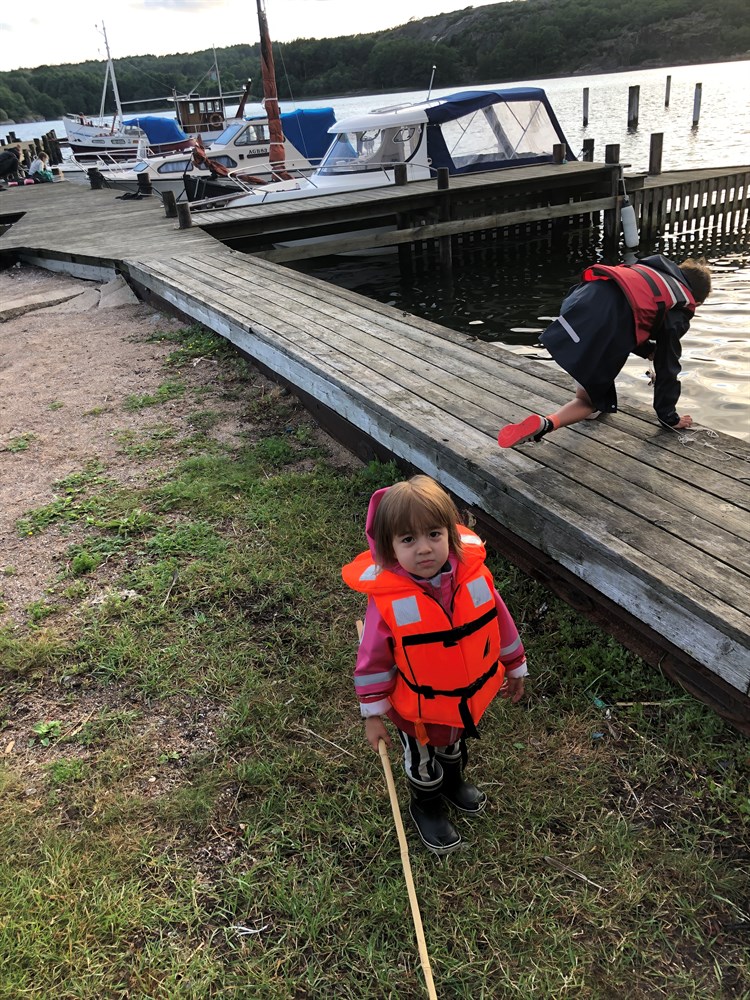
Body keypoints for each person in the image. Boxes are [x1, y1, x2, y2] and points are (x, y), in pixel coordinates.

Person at [342, 475, 528, 855]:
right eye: (408, 539)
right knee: (422, 760)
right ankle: (426, 806)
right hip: (417, 710)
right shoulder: (388, 601)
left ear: (451, 534)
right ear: (390, 547)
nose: (424, 548)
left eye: (433, 534)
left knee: (454, 744)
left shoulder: (474, 577)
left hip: (461, 701)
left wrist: (514, 666)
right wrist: (373, 715)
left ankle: (453, 783)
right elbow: (374, 661)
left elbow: (500, 623)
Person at [497, 255, 712, 448]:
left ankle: (595, 400)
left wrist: (647, 349)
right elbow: (667, 365)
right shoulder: (680, 307)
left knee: (596, 383)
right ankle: (544, 425)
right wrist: (669, 417)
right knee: (588, 404)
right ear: (697, 301)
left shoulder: (652, 269)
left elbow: (629, 311)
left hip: (576, 306)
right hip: (601, 329)